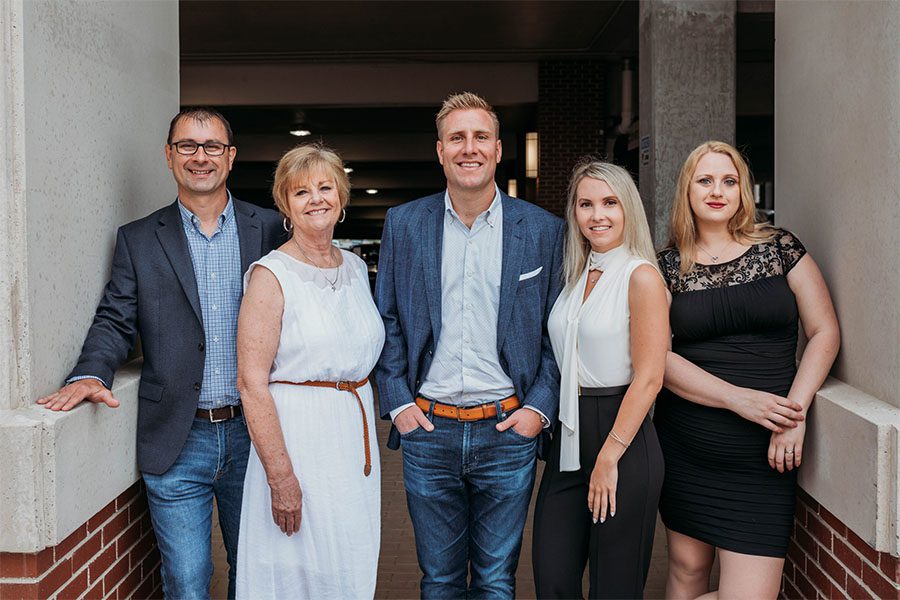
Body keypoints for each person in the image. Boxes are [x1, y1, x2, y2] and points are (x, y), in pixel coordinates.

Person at [36, 107, 286, 599]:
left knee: (256, 575)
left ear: (231, 157)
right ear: (169, 156)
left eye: (212, 146)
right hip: (177, 436)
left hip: (255, 434)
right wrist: (91, 373)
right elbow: (115, 317)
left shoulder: (271, 229)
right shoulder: (138, 239)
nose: (200, 157)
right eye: (187, 146)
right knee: (187, 583)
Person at [374, 92, 565, 598]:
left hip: (508, 431)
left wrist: (537, 411)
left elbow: (557, 331)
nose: (469, 148)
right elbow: (387, 318)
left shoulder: (544, 231)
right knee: (438, 581)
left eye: (480, 137)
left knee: (496, 581)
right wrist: (398, 403)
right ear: (439, 150)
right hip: (427, 430)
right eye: (456, 137)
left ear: (499, 149)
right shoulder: (405, 224)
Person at [654, 141, 840, 600]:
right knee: (686, 569)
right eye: (705, 180)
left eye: (729, 180)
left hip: (767, 448)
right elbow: (657, 357)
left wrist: (793, 415)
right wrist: (739, 398)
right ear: (687, 191)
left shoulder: (779, 248)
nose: (718, 190)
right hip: (688, 442)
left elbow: (824, 332)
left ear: (743, 191)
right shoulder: (665, 266)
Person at [235, 144, 384, 598]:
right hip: (298, 446)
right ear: (285, 204)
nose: (316, 198)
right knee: (299, 570)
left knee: (348, 567)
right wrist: (281, 478)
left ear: (341, 198)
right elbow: (251, 382)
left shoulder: (357, 269)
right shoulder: (271, 274)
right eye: (301, 191)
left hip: (353, 452)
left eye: (325, 187)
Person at [532, 161, 667, 599]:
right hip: (568, 443)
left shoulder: (640, 276)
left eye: (609, 202)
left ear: (627, 207)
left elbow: (649, 378)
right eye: (586, 204)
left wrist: (609, 457)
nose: (598, 215)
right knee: (552, 577)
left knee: (613, 589)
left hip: (622, 440)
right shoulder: (574, 276)